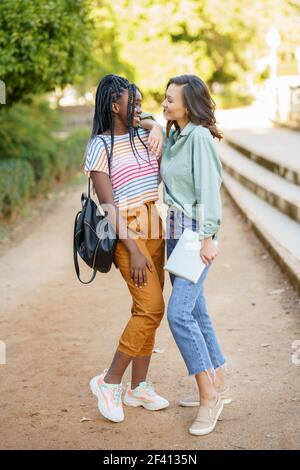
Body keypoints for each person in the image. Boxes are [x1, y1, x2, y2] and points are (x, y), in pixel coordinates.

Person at [84, 74, 168, 423]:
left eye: (140, 102)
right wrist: (132, 249)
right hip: (127, 232)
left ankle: (140, 387)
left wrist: (154, 123)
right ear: (114, 106)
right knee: (151, 308)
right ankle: (110, 381)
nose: (139, 107)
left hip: (154, 225)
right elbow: (109, 207)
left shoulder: (143, 134)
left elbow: (153, 123)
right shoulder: (99, 147)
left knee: (146, 309)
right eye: (132, 103)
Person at [160, 74, 232, 436]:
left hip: (192, 233)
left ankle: (209, 397)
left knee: (178, 313)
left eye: (171, 99)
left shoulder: (199, 137)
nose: (165, 103)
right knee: (197, 308)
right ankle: (218, 380)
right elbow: (152, 124)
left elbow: (209, 189)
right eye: (165, 97)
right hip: (174, 231)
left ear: (188, 104)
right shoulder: (174, 134)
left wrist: (209, 237)